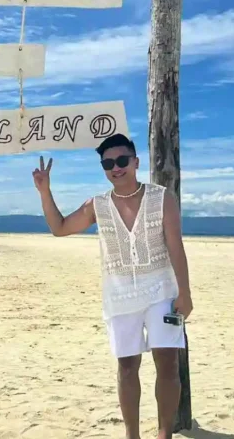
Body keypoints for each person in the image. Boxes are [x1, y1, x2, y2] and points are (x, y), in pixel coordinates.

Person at [32, 133, 192, 439]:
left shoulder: (161, 198)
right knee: (127, 366)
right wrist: (45, 191)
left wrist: (185, 292)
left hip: (162, 291)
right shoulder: (98, 205)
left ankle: (165, 434)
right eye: (108, 163)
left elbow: (176, 246)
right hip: (119, 295)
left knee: (168, 363)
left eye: (121, 161)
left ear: (135, 162)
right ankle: (132, 435)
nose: (115, 168)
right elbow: (60, 228)